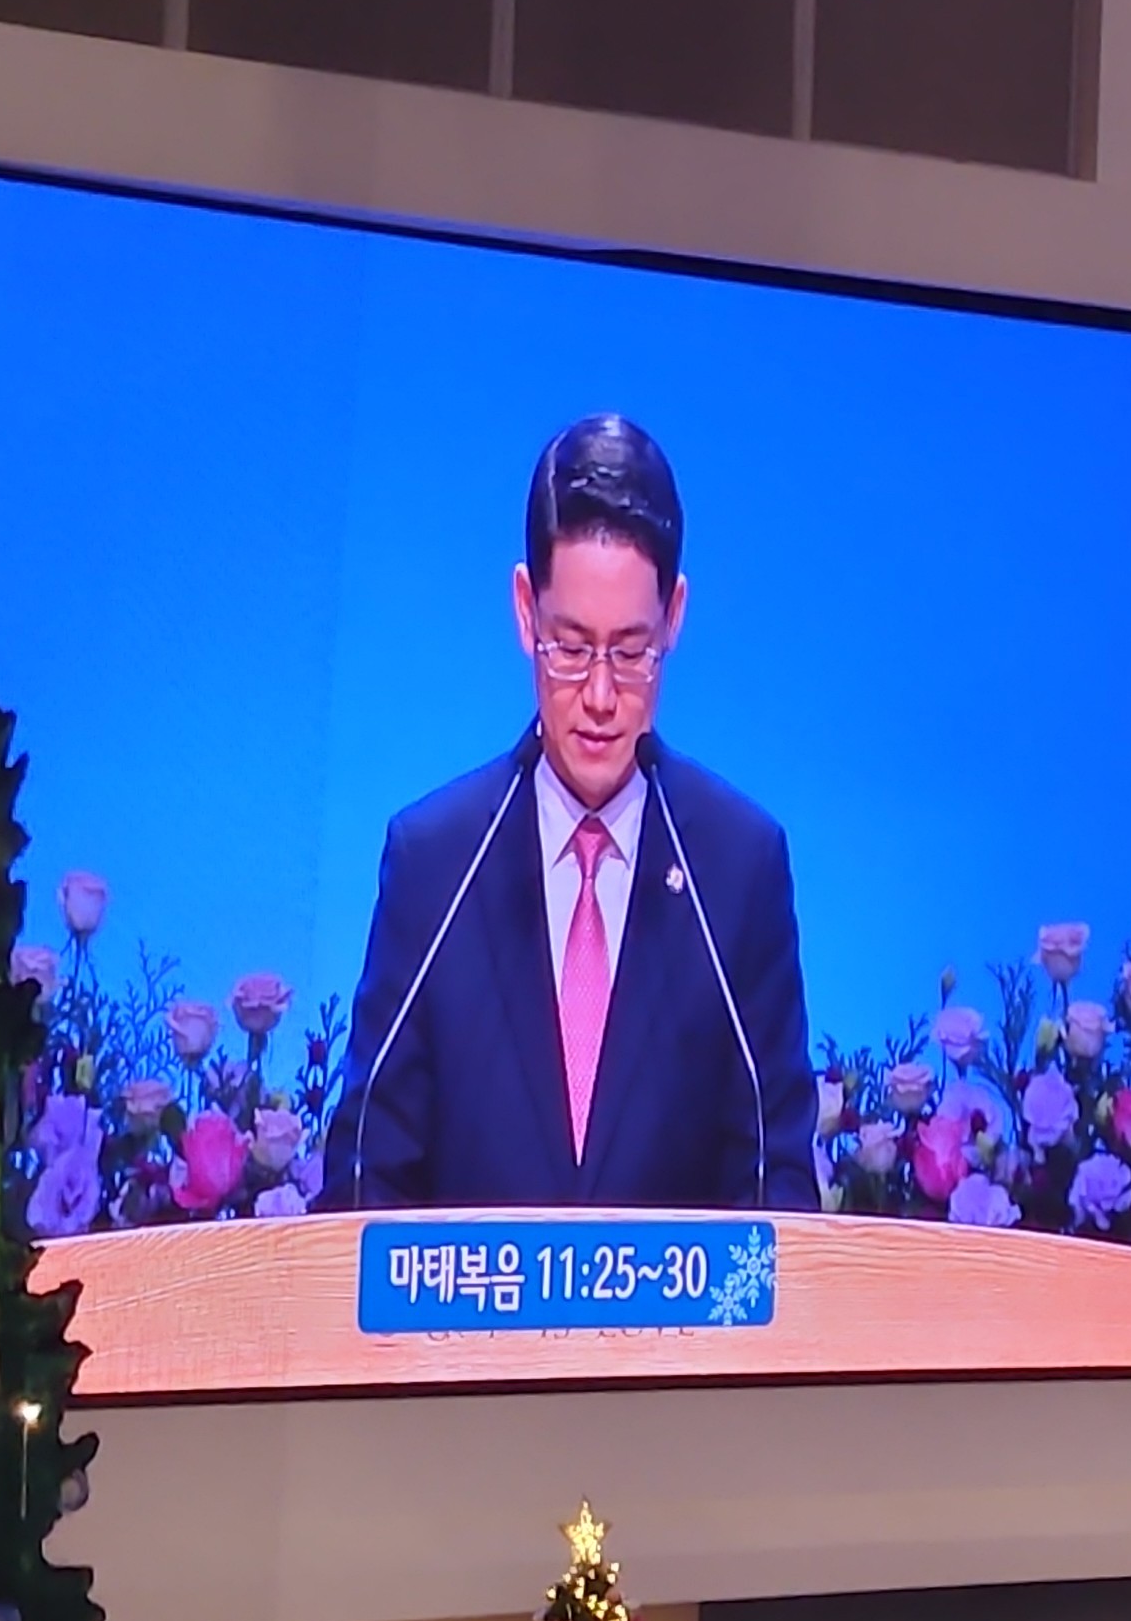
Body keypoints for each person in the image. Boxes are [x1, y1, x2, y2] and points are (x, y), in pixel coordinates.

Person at [321, 417, 817, 1213]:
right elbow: (366, 1176)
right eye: (571, 646)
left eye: (632, 651)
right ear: (525, 611)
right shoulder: (437, 864)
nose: (600, 696)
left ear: (675, 616)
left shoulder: (737, 868)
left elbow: (776, 1181)